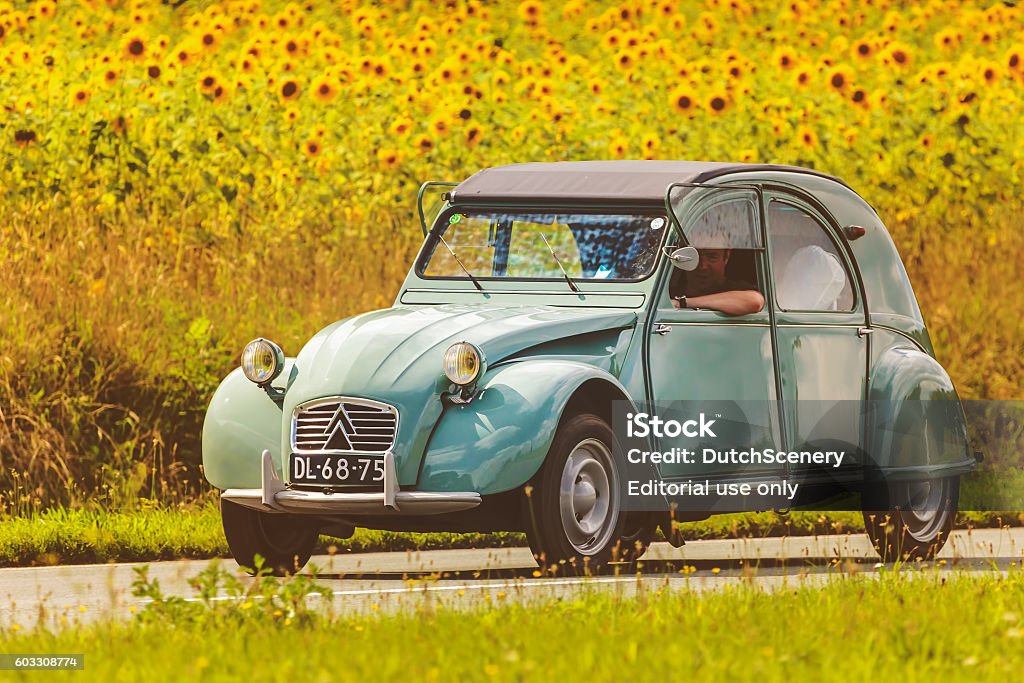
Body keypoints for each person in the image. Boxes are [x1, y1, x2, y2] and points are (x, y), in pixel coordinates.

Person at [670, 248, 764, 316]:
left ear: (726, 257)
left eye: (712, 257)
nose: (703, 266)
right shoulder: (668, 293)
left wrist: (683, 303)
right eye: (694, 258)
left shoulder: (738, 290)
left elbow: (755, 301)